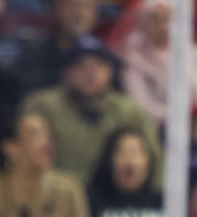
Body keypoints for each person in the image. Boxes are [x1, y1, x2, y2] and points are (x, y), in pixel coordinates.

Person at [20, 37, 160, 187]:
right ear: (67, 72)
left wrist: (156, 200)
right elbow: (24, 157)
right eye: (81, 66)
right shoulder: (42, 107)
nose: (90, 73)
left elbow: (155, 159)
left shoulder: (131, 112)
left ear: (110, 72)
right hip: (59, 197)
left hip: (114, 203)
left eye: (98, 66)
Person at [113, 0, 197, 132]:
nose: (162, 26)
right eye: (155, 20)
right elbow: (142, 108)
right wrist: (189, 116)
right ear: (143, 23)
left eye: (168, 19)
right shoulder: (134, 61)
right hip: (166, 130)